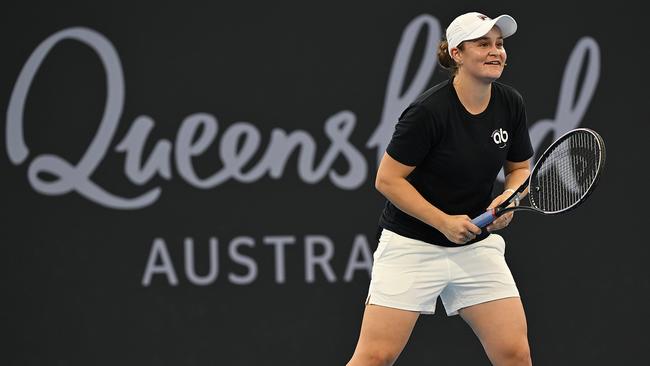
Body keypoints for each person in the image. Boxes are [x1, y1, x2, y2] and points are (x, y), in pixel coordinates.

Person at [346, 12, 534, 366]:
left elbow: (520, 169)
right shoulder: (427, 112)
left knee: (514, 354)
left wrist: (510, 197)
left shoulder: (510, 103)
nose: (496, 52)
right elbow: (387, 179)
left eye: (500, 44)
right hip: (411, 245)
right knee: (375, 357)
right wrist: (443, 222)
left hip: (476, 248)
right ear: (457, 54)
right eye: (483, 44)